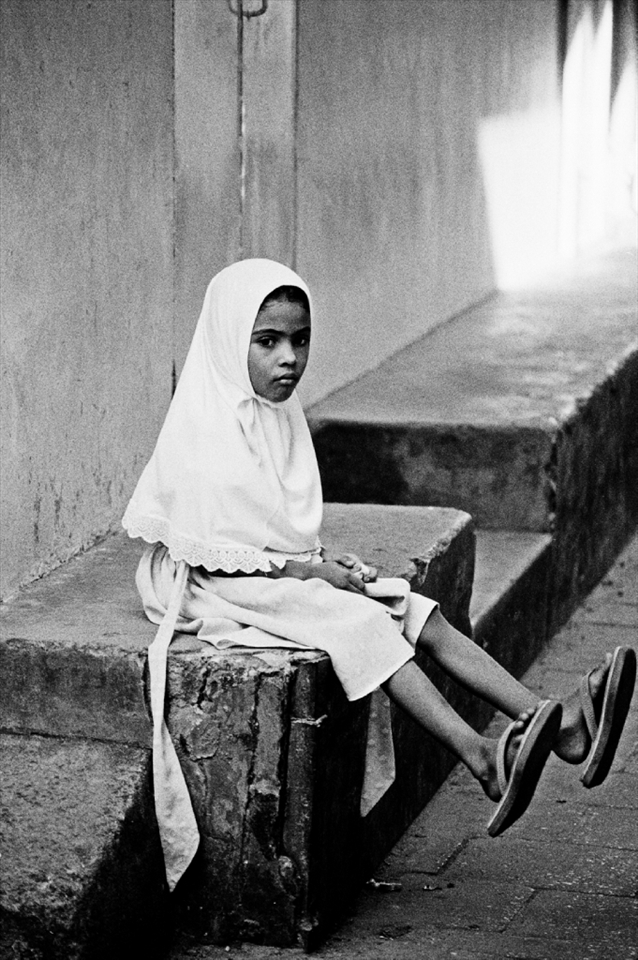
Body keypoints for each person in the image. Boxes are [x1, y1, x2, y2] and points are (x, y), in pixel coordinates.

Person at [122, 258, 636, 892]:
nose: (289, 358)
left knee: (416, 609)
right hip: (216, 582)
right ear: (231, 340)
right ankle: (483, 758)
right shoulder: (207, 423)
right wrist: (313, 572)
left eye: (299, 339)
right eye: (268, 341)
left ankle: (561, 729)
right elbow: (212, 548)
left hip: (271, 569)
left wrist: (319, 565)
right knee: (363, 623)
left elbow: (275, 526)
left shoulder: (275, 414)